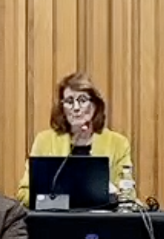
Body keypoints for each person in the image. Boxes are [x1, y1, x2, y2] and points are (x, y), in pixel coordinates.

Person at [17, 71, 135, 204]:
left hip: (101, 216)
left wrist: (112, 194)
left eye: (82, 100)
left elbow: (128, 195)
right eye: (69, 101)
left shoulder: (118, 144)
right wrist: (59, 203)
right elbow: (24, 193)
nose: (76, 108)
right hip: (56, 215)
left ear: (95, 105)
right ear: (62, 107)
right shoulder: (44, 141)